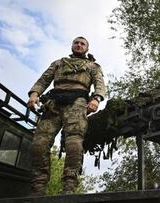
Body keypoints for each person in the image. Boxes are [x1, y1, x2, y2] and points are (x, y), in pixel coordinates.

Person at [27, 36, 106, 195]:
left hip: (77, 102)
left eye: (82, 43)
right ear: (71, 46)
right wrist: (34, 94)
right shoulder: (59, 63)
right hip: (53, 103)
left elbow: (100, 84)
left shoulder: (92, 66)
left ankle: (69, 188)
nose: (79, 45)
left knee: (74, 143)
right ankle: (38, 188)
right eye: (76, 42)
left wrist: (96, 99)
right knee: (39, 144)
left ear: (87, 48)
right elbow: (44, 80)